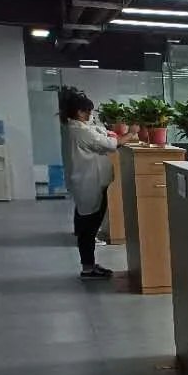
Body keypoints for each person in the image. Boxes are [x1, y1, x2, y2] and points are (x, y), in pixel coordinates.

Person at [60, 87, 136, 280]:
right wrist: (132, 133)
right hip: (88, 184)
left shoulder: (75, 127)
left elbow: (100, 132)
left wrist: (110, 133)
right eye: (87, 111)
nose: (90, 115)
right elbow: (110, 144)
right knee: (89, 228)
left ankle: (90, 265)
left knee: (87, 225)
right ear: (79, 112)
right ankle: (88, 268)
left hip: (87, 183)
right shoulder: (79, 131)